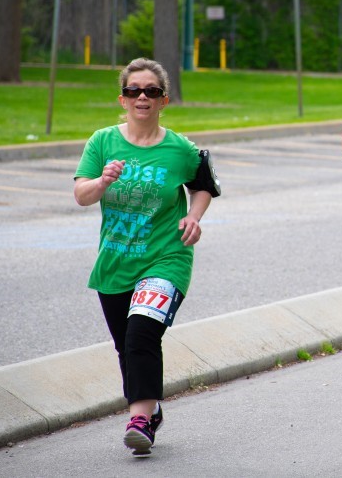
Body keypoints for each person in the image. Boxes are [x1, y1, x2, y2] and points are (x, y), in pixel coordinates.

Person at [73, 58, 215, 455]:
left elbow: (204, 185)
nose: (142, 97)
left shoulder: (181, 149)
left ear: (163, 100)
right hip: (116, 260)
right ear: (122, 99)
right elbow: (81, 194)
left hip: (167, 258)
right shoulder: (102, 142)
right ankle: (150, 410)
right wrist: (102, 181)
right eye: (133, 90)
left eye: (151, 91)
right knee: (127, 346)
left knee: (141, 334)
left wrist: (193, 215)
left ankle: (138, 421)